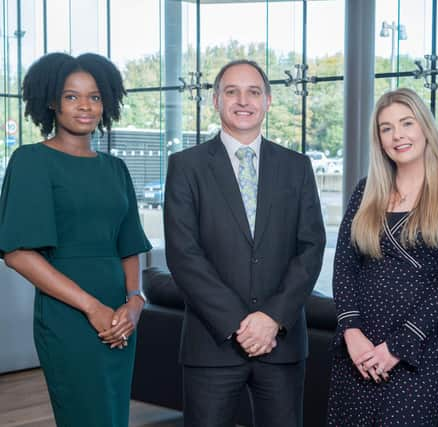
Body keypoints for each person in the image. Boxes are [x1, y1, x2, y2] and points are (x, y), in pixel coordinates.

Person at [163, 59, 326, 427]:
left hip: (280, 342)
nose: (243, 100)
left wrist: (271, 319)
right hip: (212, 345)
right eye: (231, 91)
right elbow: (184, 255)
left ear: (267, 101)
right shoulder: (185, 166)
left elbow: (311, 247)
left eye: (253, 91)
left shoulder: (296, 166)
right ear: (216, 101)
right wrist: (240, 324)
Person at [0, 52, 151, 426]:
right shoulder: (31, 161)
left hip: (120, 317)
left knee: (114, 416)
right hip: (69, 315)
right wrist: (92, 308)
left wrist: (134, 301)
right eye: (71, 96)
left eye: (94, 96)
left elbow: (128, 244)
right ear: (51, 101)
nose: (85, 106)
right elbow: (17, 252)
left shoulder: (115, 168)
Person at [327, 88, 438, 426]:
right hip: (358, 347)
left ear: (425, 127)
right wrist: (351, 333)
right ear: (379, 139)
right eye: (386, 128)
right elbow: (344, 268)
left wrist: (397, 345)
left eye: (406, 123)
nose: (397, 135)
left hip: (418, 348)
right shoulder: (365, 191)